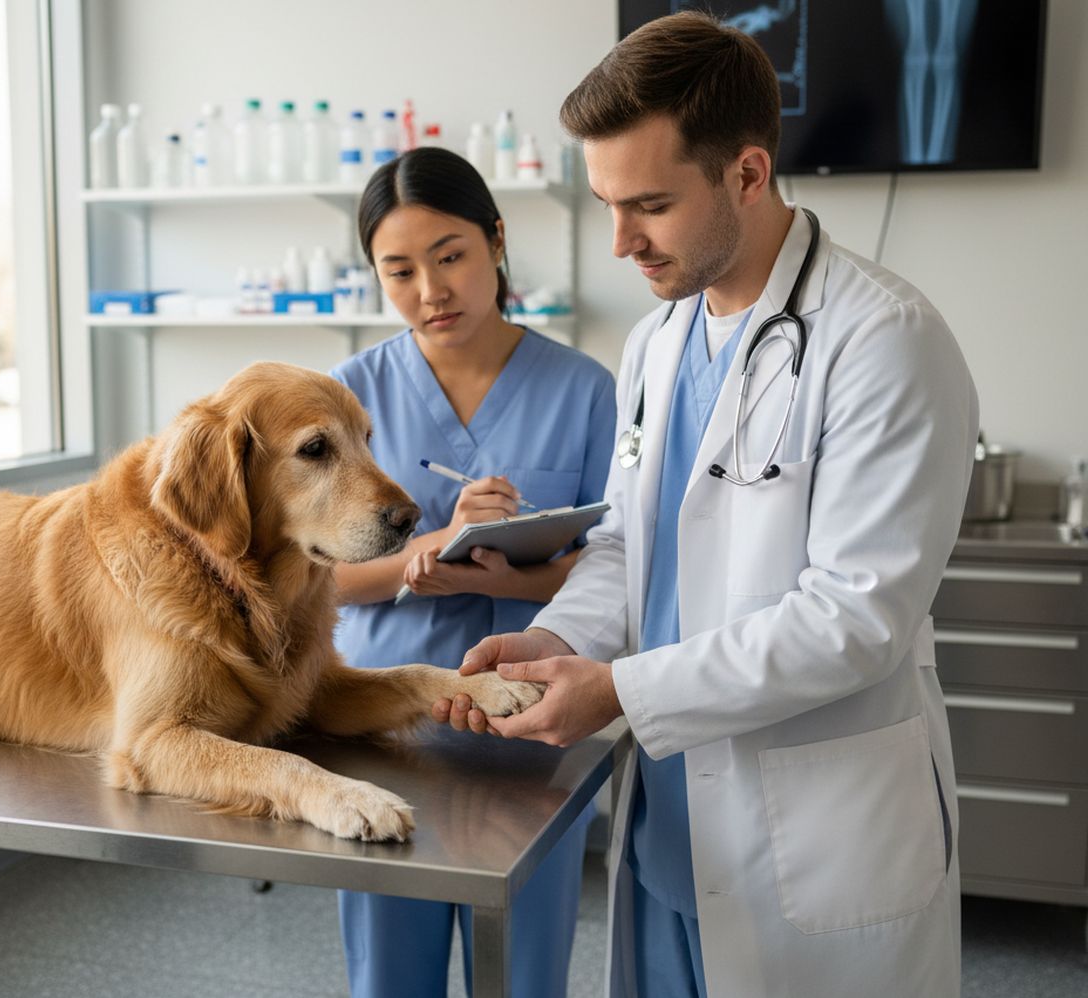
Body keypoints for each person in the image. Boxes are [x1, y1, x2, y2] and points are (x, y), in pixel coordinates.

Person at [434, 11, 978, 997]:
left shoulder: (885, 340)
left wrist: (620, 692)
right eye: (604, 202)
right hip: (669, 832)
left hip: (816, 846)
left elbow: (856, 619)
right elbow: (630, 544)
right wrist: (558, 640)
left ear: (748, 173)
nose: (619, 242)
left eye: (649, 204)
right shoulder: (658, 342)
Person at [329, 146, 616, 998]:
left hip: (531, 724)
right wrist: (425, 555)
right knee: (390, 975)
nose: (431, 290)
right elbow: (312, 580)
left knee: (527, 974)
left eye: (451, 255)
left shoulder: (587, 392)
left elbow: (620, 569)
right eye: (400, 269)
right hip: (386, 722)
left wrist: (509, 581)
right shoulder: (346, 399)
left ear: (496, 240)